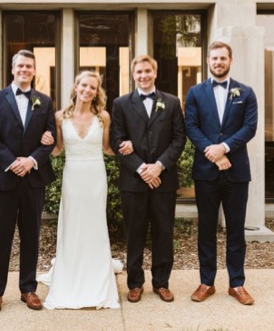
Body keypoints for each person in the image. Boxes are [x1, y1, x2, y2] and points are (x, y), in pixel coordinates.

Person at [0, 49, 58, 314]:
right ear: (12, 69)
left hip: (33, 178)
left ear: (34, 71)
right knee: (1, 237)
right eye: (20, 66)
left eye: (29, 66)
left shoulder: (45, 101)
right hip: (3, 177)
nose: (25, 70)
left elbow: (51, 137)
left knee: (31, 235)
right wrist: (12, 161)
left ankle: (28, 288)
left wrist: (31, 161)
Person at [37, 71, 121, 309]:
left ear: (97, 92)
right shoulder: (60, 117)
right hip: (73, 176)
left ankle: (96, 270)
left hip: (95, 176)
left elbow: (107, 149)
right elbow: (57, 150)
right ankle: (71, 269)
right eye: (84, 85)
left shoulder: (103, 116)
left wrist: (130, 147)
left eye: (92, 87)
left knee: (94, 222)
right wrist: (44, 140)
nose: (87, 90)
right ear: (75, 87)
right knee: (73, 223)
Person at [184, 41, 258, 306]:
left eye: (222, 58)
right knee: (206, 228)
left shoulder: (246, 93)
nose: (218, 62)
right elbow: (191, 127)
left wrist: (225, 148)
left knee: (236, 229)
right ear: (207, 61)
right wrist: (213, 152)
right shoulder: (194, 92)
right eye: (214, 58)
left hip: (236, 172)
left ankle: (237, 284)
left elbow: (250, 127)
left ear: (230, 60)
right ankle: (207, 282)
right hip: (206, 172)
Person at [110, 55, 187, 303]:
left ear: (155, 72)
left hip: (164, 180)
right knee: (134, 233)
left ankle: (161, 283)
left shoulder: (172, 102)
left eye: (147, 71)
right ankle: (135, 283)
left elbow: (179, 139)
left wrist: (160, 166)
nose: (143, 75)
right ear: (133, 75)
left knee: (164, 232)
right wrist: (144, 168)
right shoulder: (121, 104)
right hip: (133, 181)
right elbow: (117, 140)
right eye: (138, 72)